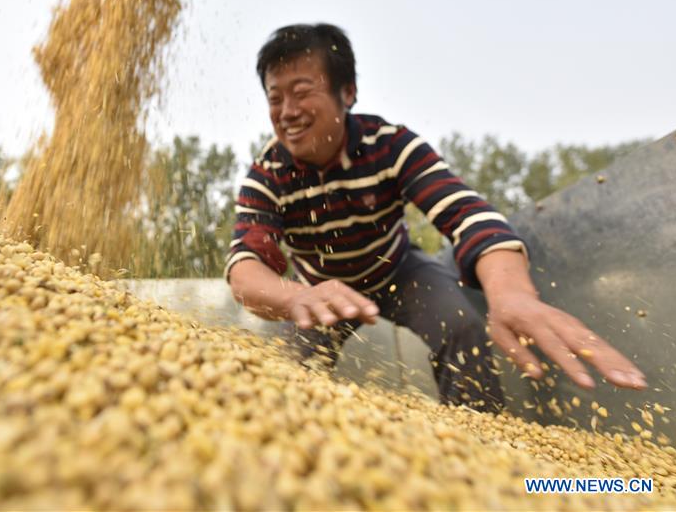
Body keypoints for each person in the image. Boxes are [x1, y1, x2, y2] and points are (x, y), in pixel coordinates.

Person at [225, 23, 646, 412]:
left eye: (301, 91)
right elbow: (246, 266)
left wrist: (511, 292)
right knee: (289, 370)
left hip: (399, 270)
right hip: (320, 288)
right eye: (275, 98)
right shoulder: (267, 174)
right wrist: (295, 296)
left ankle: (486, 449)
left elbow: (468, 214)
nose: (287, 111)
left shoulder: (391, 145)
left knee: (461, 327)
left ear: (347, 92)